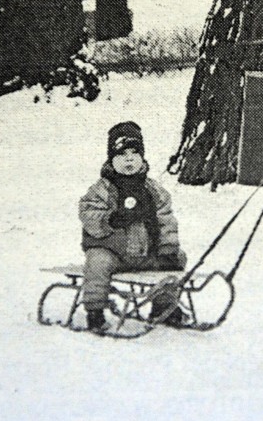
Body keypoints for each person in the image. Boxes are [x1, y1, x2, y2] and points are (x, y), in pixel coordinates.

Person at [79, 121, 186, 331]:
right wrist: (108, 219)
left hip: (146, 253)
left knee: (176, 258)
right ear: (112, 158)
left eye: (134, 153)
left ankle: (163, 307)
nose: (129, 158)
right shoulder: (103, 189)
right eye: (122, 154)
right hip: (114, 253)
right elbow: (87, 212)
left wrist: (168, 249)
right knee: (97, 261)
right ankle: (95, 311)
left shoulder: (154, 191)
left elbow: (166, 220)